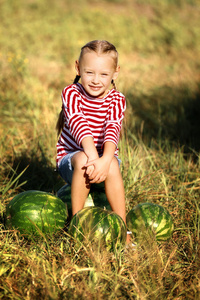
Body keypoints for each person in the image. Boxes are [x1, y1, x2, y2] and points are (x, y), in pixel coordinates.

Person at [56, 40, 130, 243]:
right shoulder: (71, 93)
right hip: (72, 161)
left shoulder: (117, 100)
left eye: (104, 74)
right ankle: (77, 223)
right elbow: (80, 126)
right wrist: (92, 157)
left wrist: (105, 160)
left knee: (113, 162)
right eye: (89, 72)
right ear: (78, 68)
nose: (96, 80)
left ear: (115, 73)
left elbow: (112, 129)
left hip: (102, 162)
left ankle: (122, 228)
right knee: (81, 159)